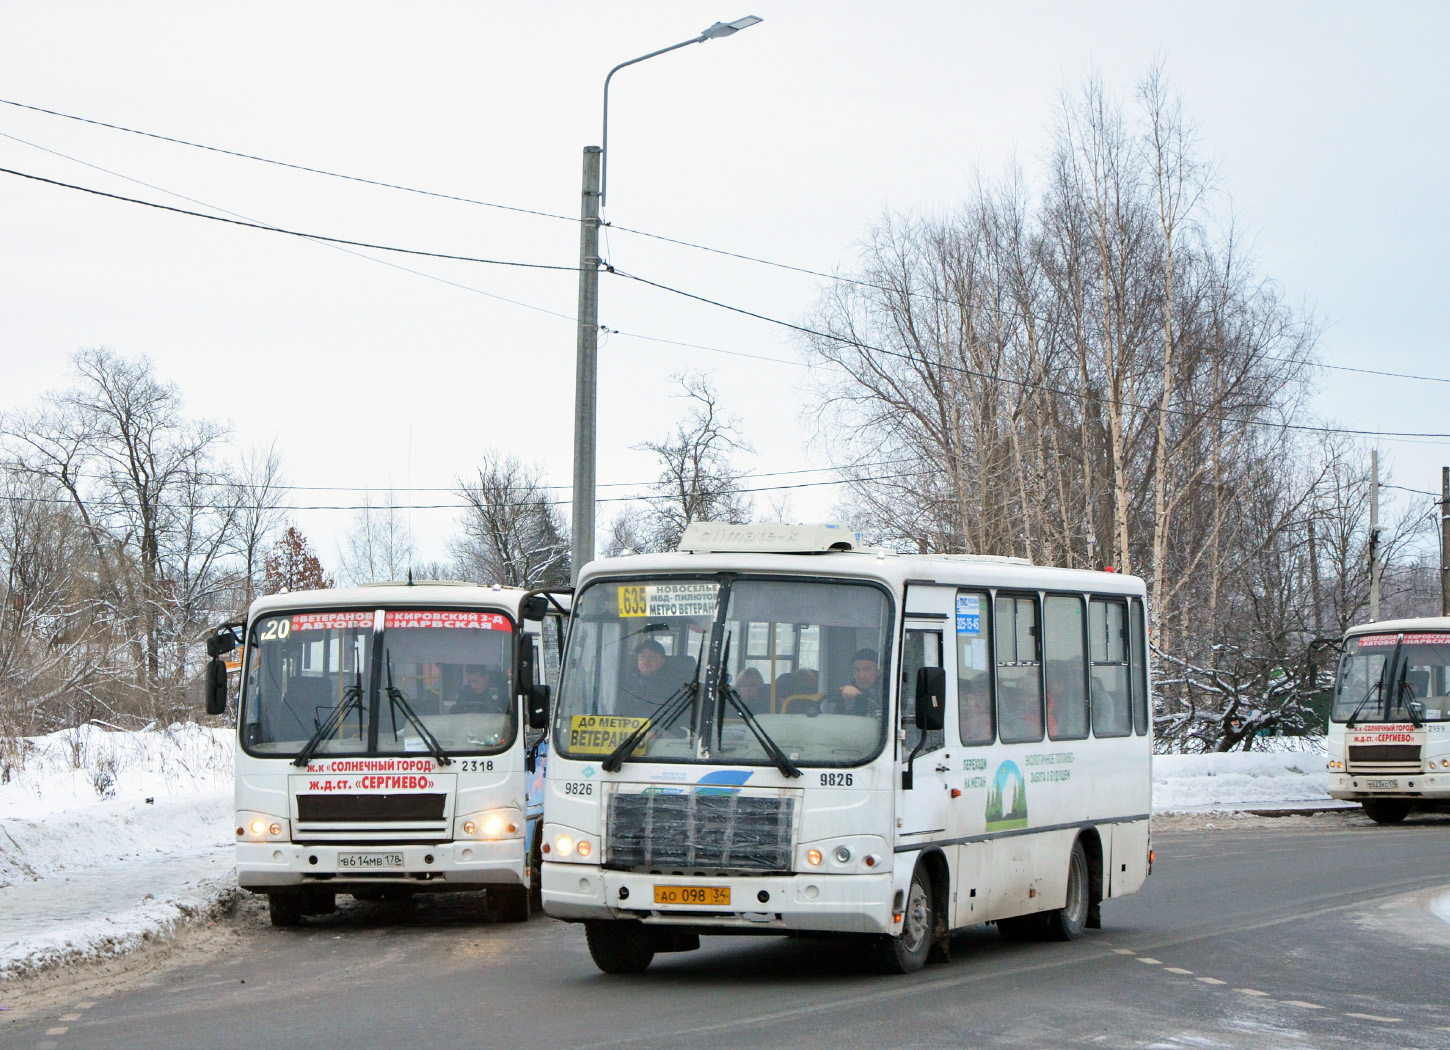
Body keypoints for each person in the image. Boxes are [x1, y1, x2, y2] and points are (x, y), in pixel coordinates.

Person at [617, 639, 684, 719]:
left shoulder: (673, 686)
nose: (646, 661)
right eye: (642, 657)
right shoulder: (626, 684)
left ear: (662, 661)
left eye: (652, 657)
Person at [825, 649, 882, 716]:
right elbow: (838, 721)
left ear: (878, 671)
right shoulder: (846, 693)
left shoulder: (888, 692)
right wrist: (847, 703)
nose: (861, 675)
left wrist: (861, 698)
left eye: (867, 669)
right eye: (857, 670)